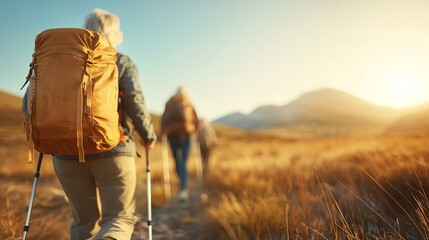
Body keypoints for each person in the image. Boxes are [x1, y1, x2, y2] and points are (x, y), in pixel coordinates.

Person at [23, 9, 157, 240]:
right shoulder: (120, 60)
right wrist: (148, 135)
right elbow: (136, 102)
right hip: (113, 150)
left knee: (83, 223)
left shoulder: (57, 60)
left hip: (66, 156)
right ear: (114, 33)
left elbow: (29, 104)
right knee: (119, 219)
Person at [161, 86, 199, 202]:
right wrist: (195, 129)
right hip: (186, 133)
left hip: (172, 135)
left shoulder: (169, 102)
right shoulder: (188, 101)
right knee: (183, 161)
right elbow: (195, 119)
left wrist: (163, 132)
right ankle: (183, 189)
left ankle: (181, 182)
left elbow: (164, 118)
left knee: (177, 160)